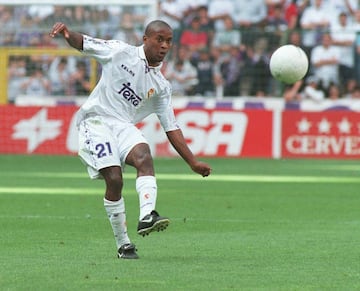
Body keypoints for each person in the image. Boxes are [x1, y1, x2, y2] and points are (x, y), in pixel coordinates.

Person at [49, 20, 212, 259]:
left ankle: (147, 215)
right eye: (159, 39)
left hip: (122, 125)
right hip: (95, 121)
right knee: (114, 179)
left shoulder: (161, 86)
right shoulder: (120, 51)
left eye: (168, 41)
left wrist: (192, 162)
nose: (164, 45)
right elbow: (85, 43)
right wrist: (67, 33)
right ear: (145, 39)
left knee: (144, 156)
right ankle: (123, 243)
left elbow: (171, 127)